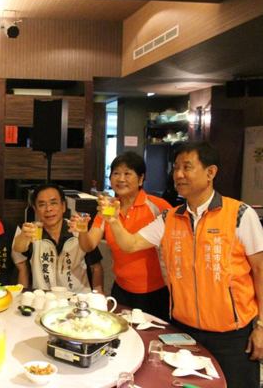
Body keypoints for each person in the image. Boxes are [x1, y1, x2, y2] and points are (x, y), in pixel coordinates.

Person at [101, 141, 263, 388]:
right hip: (183, 332)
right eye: (176, 167)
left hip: (232, 336)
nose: (178, 174)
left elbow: (260, 271)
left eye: (187, 167)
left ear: (210, 172)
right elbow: (130, 244)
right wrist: (112, 219)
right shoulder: (169, 218)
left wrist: (261, 326)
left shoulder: (240, 214)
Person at [69, 152, 171, 320]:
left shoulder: (158, 207)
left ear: (141, 179)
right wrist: (82, 230)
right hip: (121, 289)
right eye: (116, 173)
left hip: (155, 293)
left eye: (127, 173)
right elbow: (88, 245)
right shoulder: (107, 209)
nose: (121, 179)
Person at [13, 183, 104, 293]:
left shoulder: (79, 230)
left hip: (77, 298)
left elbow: (96, 267)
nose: (48, 209)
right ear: (35, 209)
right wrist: (23, 236)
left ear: (63, 206)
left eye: (53, 203)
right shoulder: (32, 232)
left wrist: (98, 295)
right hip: (45, 298)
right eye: (42, 205)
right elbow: (19, 248)